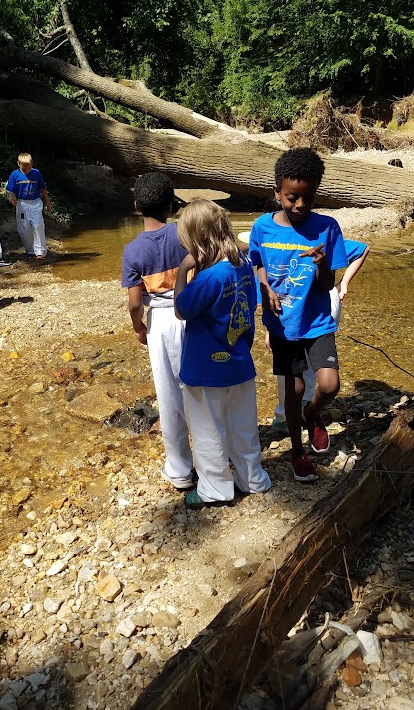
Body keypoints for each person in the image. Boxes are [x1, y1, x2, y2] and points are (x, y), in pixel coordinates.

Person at [249, 148, 348, 483]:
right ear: (277, 193)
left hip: (317, 320)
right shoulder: (262, 227)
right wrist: (265, 288)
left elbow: (327, 284)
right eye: (292, 197)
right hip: (282, 325)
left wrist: (322, 266)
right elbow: (257, 263)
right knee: (292, 389)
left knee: (329, 384)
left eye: (308, 198)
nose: (300, 205)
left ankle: (313, 413)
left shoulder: (328, 228)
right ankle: (297, 450)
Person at [174, 199, 271, 508]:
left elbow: (181, 309)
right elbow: (248, 308)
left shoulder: (207, 277)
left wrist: (182, 271)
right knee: (243, 426)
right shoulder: (242, 266)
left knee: (208, 432)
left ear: (196, 240)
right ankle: (252, 478)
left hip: (205, 370)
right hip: (239, 363)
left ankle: (214, 489)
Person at [121, 172, 193, 490]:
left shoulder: (133, 251)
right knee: (202, 390)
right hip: (194, 312)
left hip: (161, 323)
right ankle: (217, 459)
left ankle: (180, 470)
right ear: (171, 205)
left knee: (169, 396)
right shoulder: (184, 234)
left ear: (137, 207)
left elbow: (136, 303)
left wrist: (139, 328)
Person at [270, 240, 369, 433]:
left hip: (310, 306)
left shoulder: (293, 244)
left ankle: (289, 416)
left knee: (294, 366)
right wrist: (344, 283)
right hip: (325, 303)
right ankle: (303, 412)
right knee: (311, 364)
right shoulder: (325, 241)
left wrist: (344, 283)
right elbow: (363, 249)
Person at [6, 153, 51, 260]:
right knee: (24, 228)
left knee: (37, 226)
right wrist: (11, 198)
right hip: (22, 203)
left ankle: (40, 252)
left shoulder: (36, 173)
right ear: (18, 164)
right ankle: (30, 250)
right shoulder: (15, 175)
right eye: (24, 168)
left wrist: (48, 203)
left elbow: (43, 188)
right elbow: (11, 190)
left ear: (32, 164)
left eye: (28, 168)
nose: (26, 170)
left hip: (35, 203)